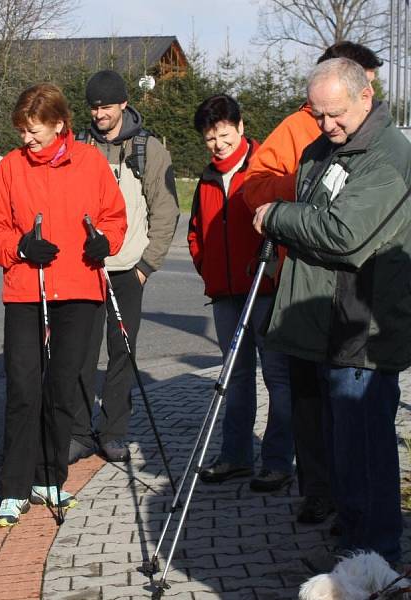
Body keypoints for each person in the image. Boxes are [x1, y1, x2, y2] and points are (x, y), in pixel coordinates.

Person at [253, 57, 410, 570]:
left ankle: (379, 559)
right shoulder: (329, 147)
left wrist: (277, 216)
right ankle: (353, 543)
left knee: (367, 450)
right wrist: (299, 219)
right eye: (317, 115)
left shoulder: (386, 157)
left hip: (363, 324)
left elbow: (343, 233)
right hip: (329, 320)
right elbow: (317, 212)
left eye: (334, 114)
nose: (325, 126)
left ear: (366, 97)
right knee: (344, 449)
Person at [242, 41, 383, 525]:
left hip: (347, 300)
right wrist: (299, 198)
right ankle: (317, 490)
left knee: (344, 406)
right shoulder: (297, 130)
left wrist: (303, 211)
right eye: (364, 75)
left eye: (370, 80)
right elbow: (253, 186)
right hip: (301, 286)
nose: (372, 87)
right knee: (304, 399)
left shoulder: (374, 139)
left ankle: (353, 506)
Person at [0, 82, 127, 527]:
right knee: (24, 388)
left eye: (34, 131)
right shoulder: (10, 167)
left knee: (63, 387)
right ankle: (14, 487)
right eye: (22, 131)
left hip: (79, 289)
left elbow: (113, 219)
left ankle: (50, 477)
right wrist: (21, 247)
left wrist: (105, 242)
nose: (27, 139)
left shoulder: (90, 162)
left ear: (60, 125)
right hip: (27, 290)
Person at [70, 69, 179, 464]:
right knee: (80, 354)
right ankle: (79, 433)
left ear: (123, 105)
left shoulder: (148, 149)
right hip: (84, 269)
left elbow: (165, 212)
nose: (99, 113)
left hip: (127, 268)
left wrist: (147, 265)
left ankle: (113, 432)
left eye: (106, 106)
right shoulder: (78, 145)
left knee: (122, 353)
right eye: (94, 107)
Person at [188, 94, 294, 492]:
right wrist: (207, 267)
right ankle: (235, 457)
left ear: (241, 128)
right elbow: (196, 231)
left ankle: (279, 461)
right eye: (210, 137)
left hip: (266, 290)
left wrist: (275, 272)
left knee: (279, 378)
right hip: (225, 294)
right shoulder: (206, 179)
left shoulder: (265, 169)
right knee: (235, 377)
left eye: (224, 134)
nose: (218, 143)